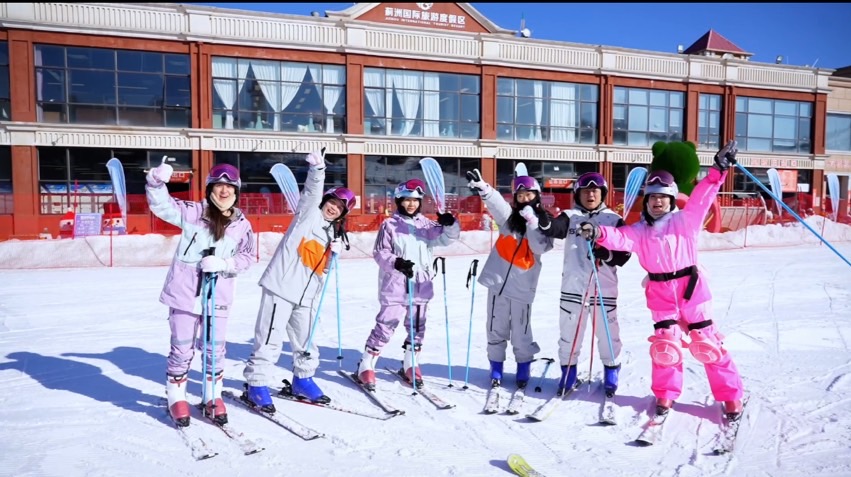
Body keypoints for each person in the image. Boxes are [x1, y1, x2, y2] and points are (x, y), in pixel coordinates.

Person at [579, 140, 745, 419]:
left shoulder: (686, 221)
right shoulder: (640, 230)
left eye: (662, 198)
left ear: (671, 200)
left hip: (691, 290)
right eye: (652, 197)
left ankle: (731, 395)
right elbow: (619, 238)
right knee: (665, 345)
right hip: (660, 293)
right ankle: (666, 393)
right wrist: (598, 233)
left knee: (706, 343)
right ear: (646, 201)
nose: (657, 202)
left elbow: (703, 196)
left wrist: (718, 170)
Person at [242, 149, 353, 412]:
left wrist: (333, 255)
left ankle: (303, 379)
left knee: (307, 341)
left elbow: (322, 271)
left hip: (306, 297)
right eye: (332, 202)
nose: (333, 208)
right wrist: (318, 170)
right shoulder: (309, 215)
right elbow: (312, 192)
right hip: (281, 288)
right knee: (270, 338)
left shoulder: (331, 233)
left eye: (339, 208)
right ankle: (257, 384)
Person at [146, 161, 256, 427]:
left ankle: (212, 396)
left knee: (214, 350)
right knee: (182, 347)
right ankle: (177, 397)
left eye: (229, 187)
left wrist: (225, 264)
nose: (224, 191)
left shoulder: (242, 225)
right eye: (219, 186)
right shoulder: (194, 212)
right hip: (185, 294)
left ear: (236, 191)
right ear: (209, 189)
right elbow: (163, 206)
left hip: (218, 297)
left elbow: (249, 256)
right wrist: (156, 183)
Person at [355, 178, 461, 390]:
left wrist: (450, 224)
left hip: (421, 283)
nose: (411, 204)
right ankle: (366, 365)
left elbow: (447, 239)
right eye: (407, 200)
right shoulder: (390, 225)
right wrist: (397, 262)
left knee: (417, 326)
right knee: (386, 324)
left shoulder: (426, 225)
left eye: (415, 200)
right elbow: (380, 252)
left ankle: (411, 364)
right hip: (395, 283)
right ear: (399, 201)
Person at [537, 172, 631, 397]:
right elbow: (554, 228)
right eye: (586, 191)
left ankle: (611, 370)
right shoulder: (571, 216)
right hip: (573, 289)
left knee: (608, 335)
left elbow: (624, 254)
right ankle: (568, 372)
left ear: (602, 194)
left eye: (595, 191)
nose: (590, 195)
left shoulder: (613, 219)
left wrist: (606, 254)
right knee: (569, 335)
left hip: (603, 290)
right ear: (578, 194)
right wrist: (543, 218)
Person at [465, 169, 554, 389]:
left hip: (523, 287)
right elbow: (497, 204)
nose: (524, 199)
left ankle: (523, 366)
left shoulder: (545, 223)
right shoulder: (508, 219)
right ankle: (496, 367)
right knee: (495, 328)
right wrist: (485, 189)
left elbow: (540, 247)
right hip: (497, 284)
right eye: (520, 196)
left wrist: (532, 222)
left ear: (537, 196)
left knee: (521, 332)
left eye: (529, 195)